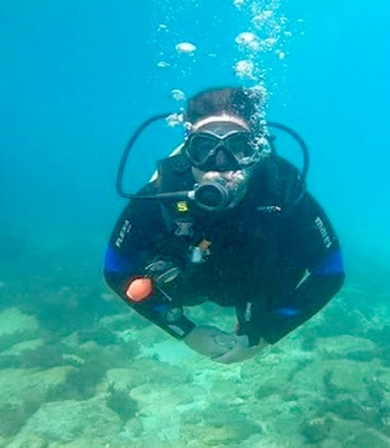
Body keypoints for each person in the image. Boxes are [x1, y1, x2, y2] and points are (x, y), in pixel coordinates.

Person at [103, 87, 344, 363]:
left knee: (271, 280)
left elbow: (330, 271)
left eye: (238, 148)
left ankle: (253, 317)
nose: (218, 166)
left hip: (258, 287)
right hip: (190, 281)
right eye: (204, 148)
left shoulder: (282, 191)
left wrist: (267, 333)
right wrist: (184, 330)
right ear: (188, 151)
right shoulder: (163, 191)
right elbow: (116, 268)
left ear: (256, 151)